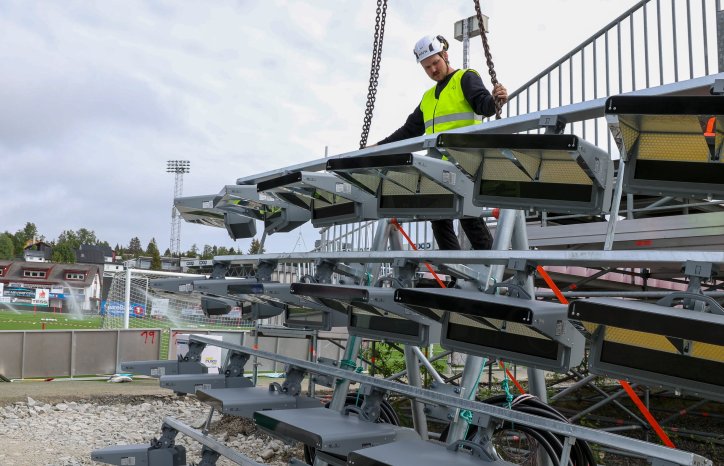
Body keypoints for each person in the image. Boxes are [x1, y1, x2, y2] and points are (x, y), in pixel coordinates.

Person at [377, 34, 508, 251]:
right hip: (439, 169)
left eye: (435, 63)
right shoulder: (428, 97)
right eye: (427, 67)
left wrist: (495, 100)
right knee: (437, 217)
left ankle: (492, 273)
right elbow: (409, 130)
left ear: (445, 55)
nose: (433, 70)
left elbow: (483, 104)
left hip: (465, 164)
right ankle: (456, 270)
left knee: (468, 217)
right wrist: (378, 147)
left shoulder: (465, 79)